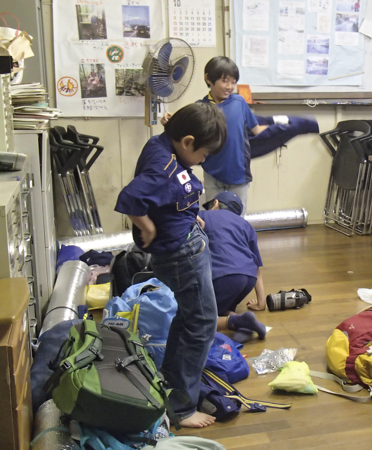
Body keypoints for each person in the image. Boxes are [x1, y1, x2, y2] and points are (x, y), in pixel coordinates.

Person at [114, 102, 227, 428]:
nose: (204, 159)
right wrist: (147, 226)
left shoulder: (163, 144)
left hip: (185, 241)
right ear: (187, 141)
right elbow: (131, 197)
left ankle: (173, 389)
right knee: (200, 325)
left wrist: (192, 217)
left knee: (189, 321)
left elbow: (174, 194)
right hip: (182, 255)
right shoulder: (162, 166)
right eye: (204, 153)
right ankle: (182, 407)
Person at [162, 56, 268, 214]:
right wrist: (167, 123)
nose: (229, 87)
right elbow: (182, 135)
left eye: (233, 82)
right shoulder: (200, 108)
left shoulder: (239, 102)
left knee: (238, 220)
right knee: (213, 218)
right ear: (208, 79)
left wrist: (285, 129)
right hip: (212, 176)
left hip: (239, 176)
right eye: (225, 81)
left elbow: (257, 130)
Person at [198, 191, 267, 343]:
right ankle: (241, 321)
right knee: (220, 308)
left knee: (195, 317)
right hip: (248, 278)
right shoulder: (245, 225)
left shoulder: (203, 216)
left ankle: (236, 323)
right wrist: (261, 302)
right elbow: (256, 267)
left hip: (222, 276)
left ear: (215, 203)